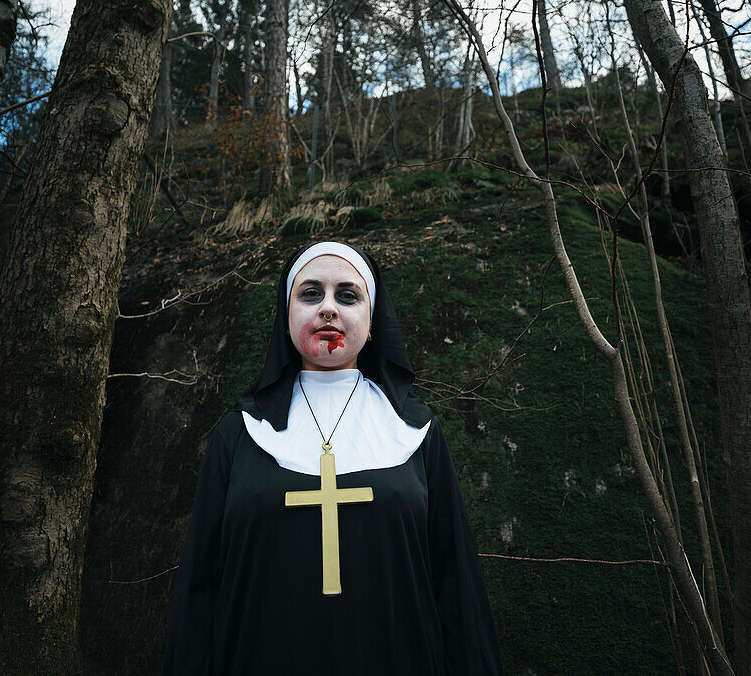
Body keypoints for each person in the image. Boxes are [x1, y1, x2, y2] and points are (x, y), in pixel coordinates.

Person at [162, 241, 502, 675]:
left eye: (347, 295)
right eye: (309, 294)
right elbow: (200, 587)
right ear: (286, 319)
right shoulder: (240, 432)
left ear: (373, 319)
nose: (327, 309)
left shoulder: (416, 431)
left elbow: (456, 584)